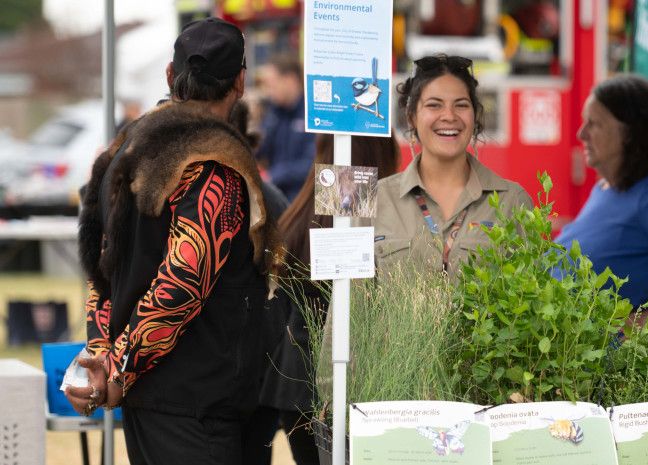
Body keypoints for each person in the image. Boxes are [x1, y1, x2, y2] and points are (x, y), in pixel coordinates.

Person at [68, 17, 282, 465]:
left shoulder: (121, 151)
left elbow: (100, 268)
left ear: (170, 74)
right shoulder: (215, 167)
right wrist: (119, 367)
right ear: (240, 81)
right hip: (195, 402)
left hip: (151, 398)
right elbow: (183, 281)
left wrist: (106, 356)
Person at [246, 133, 400, 465]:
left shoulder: (304, 213)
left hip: (295, 383)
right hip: (342, 379)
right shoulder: (361, 211)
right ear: (382, 154)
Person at [374, 54, 532, 273]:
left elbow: (531, 298)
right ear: (411, 117)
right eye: (434, 105)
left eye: (461, 105)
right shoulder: (376, 199)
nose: (449, 115)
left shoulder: (512, 201)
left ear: (475, 116)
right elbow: (348, 301)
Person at [555, 75, 648, 308]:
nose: (581, 134)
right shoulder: (605, 187)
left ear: (630, 133)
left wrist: (644, 321)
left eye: (594, 124)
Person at [256, 53, 316, 200]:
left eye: (272, 85)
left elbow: (312, 164)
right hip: (277, 196)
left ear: (290, 80)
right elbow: (259, 147)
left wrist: (274, 175)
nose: (268, 92)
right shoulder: (274, 112)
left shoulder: (312, 114)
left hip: (303, 199)